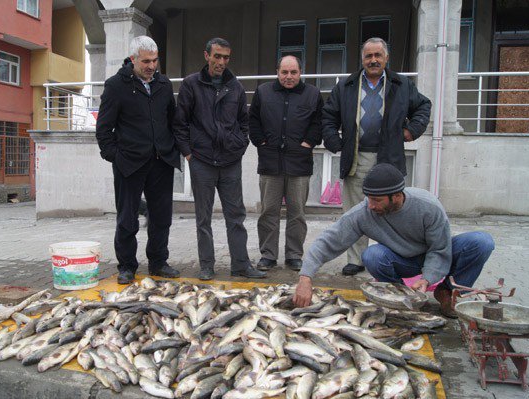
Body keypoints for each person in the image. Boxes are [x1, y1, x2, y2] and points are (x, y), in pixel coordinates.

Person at [293, 163, 495, 318]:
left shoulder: (428, 207)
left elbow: (439, 248)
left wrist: (427, 279)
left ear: (397, 196)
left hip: (436, 254)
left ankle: (449, 293)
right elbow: (329, 240)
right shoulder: (365, 211)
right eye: (369, 199)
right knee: (372, 255)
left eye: (377, 200)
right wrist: (305, 277)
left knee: (481, 242)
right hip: (404, 260)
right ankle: (402, 297)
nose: (371, 205)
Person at [322, 37, 431, 276]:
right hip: (356, 159)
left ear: (386, 58)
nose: (373, 60)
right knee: (353, 212)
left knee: (391, 211)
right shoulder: (347, 86)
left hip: (388, 159)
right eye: (368, 56)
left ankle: (388, 257)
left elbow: (424, 106)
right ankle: (356, 259)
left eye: (377, 56)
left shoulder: (401, 84)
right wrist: (334, 141)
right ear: (362, 59)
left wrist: (412, 130)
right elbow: (328, 116)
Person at [174, 37, 265, 281]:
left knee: (236, 216)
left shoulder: (234, 86)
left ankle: (241, 265)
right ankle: (206, 265)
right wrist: (188, 153)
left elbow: (243, 121)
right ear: (207, 56)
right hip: (201, 160)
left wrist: (240, 145)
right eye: (217, 56)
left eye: (225, 57)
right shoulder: (191, 84)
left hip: (230, 161)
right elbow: (179, 123)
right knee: (203, 217)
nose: (221, 62)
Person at [96, 36, 180, 285]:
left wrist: (172, 148)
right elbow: (103, 129)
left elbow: (172, 120)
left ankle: (158, 262)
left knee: (161, 217)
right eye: (146, 61)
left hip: (161, 162)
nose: (151, 66)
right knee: (127, 218)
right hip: (129, 164)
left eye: (155, 60)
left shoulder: (164, 85)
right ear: (133, 59)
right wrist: (115, 156)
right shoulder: (115, 86)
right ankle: (127, 266)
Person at [249, 55, 323, 273]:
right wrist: (260, 142)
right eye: (284, 72)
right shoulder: (263, 92)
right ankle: (268, 255)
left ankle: (293, 255)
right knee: (268, 211)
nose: (289, 77)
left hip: (299, 163)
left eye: (293, 72)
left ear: (300, 72)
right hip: (270, 162)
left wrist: (308, 143)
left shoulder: (313, 94)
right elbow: (252, 119)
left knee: (297, 213)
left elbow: (318, 123)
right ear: (277, 72)